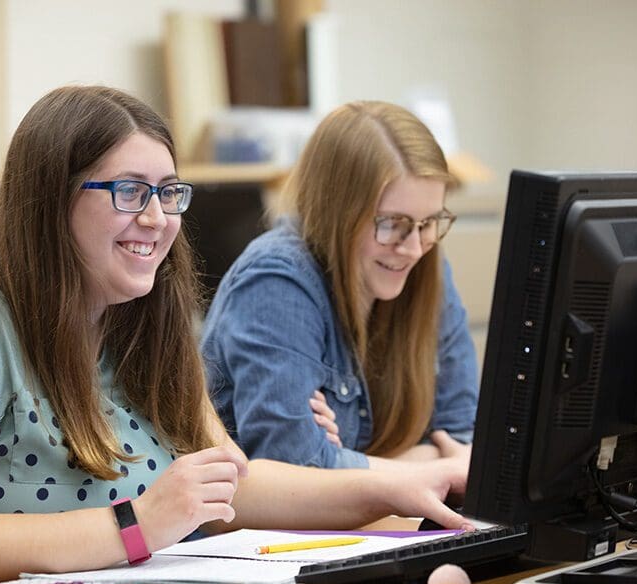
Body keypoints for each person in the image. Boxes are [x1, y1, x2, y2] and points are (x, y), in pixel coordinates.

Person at [0, 86, 472, 584]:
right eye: (129, 191)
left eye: (169, 193)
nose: (157, 218)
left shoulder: (138, 314)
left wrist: (395, 487)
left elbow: (233, 489)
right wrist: (137, 527)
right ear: (48, 202)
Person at [201, 101, 478, 472]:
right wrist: (429, 465)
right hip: (281, 531)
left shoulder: (426, 265)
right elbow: (297, 470)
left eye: (429, 222)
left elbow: (462, 438)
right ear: (338, 212)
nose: (413, 248)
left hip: (387, 524)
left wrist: (343, 463)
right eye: (392, 223)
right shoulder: (277, 280)